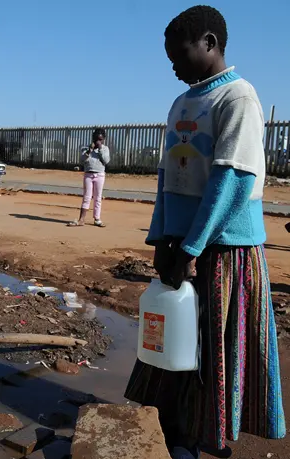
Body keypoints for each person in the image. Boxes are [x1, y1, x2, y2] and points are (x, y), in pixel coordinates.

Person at [124, 6, 285, 458]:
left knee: (213, 350)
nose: (173, 64)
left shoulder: (238, 99)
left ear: (211, 43)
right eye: (169, 57)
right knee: (174, 344)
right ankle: (181, 430)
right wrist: (160, 239)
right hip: (181, 246)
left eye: (180, 54)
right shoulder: (183, 102)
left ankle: (199, 437)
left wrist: (193, 245)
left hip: (223, 250)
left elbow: (233, 180)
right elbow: (167, 177)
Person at [68, 128, 110, 227]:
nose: (98, 141)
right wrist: (89, 151)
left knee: (98, 197)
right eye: (96, 139)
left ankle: (97, 218)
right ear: (93, 138)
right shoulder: (85, 148)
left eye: (100, 140)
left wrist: (99, 149)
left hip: (99, 174)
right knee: (87, 197)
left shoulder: (105, 149)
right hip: (88, 174)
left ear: (103, 139)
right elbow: (82, 159)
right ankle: (81, 219)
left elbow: (106, 161)